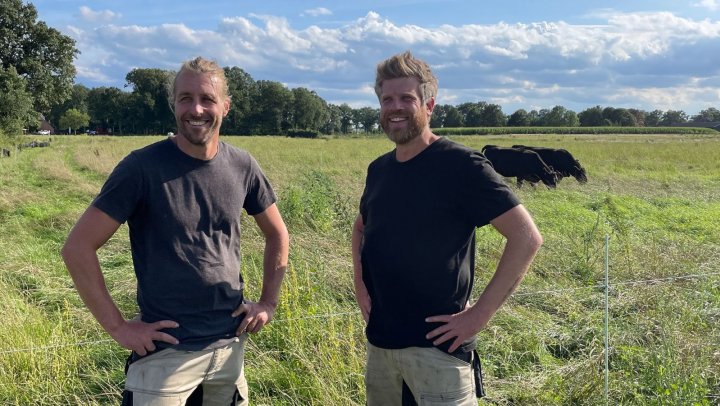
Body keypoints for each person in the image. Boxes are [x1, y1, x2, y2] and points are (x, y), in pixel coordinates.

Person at [62, 56, 289, 406]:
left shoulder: (242, 165)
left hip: (229, 350)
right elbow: (77, 247)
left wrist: (268, 303)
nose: (195, 109)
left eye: (207, 99)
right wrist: (119, 327)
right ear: (174, 105)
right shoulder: (142, 167)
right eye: (185, 98)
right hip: (166, 355)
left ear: (225, 107)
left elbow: (277, 234)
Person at [351, 51, 543, 405]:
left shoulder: (461, 165)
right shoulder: (379, 169)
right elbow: (361, 227)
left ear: (429, 105)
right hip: (381, 343)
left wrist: (477, 317)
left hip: (438, 349)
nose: (395, 107)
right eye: (386, 99)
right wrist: (360, 285)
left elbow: (526, 237)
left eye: (407, 98)